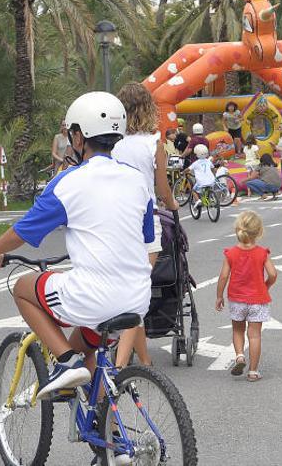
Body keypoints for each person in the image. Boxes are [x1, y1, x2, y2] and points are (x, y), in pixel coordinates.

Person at [0, 92, 154, 399]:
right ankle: (112, 442)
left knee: (22, 288)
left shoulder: (68, 182)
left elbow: (24, 230)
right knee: (88, 347)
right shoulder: (137, 180)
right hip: (137, 299)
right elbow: (145, 236)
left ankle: (65, 363)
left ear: (78, 136)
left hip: (93, 297)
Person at [112, 82, 180, 368]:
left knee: (128, 292)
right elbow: (163, 191)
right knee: (137, 294)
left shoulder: (111, 144)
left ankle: (145, 360)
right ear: (148, 110)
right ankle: (120, 364)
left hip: (115, 223)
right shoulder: (154, 144)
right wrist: (174, 206)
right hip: (145, 224)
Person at [215, 211, 277, 382]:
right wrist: (266, 286)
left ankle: (240, 356)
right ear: (259, 232)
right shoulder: (262, 253)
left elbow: (223, 277)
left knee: (237, 330)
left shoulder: (231, 253)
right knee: (255, 335)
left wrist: (219, 296)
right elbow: (272, 274)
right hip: (258, 299)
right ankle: (253, 371)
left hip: (237, 299)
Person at [188, 144, 216, 209]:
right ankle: (211, 198)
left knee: (193, 190)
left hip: (201, 182)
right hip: (211, 180)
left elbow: (188, 169)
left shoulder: (196, 163)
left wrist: (182, 172)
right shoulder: (208, 161)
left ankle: (198, 201)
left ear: (197, 154)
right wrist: (213, 175)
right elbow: (213, 168)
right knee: (209, 187)